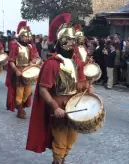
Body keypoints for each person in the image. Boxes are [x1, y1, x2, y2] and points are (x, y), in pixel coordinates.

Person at [26, 13, 92, 164]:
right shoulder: (52, 64)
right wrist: (55, 107)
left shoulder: (77, 62)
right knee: (60, 142)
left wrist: (89, 89)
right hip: (60, 108)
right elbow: (43, 89)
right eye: (68, 40)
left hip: (75, 106)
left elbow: (81, 83)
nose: (71, 43)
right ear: (61, 41)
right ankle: (58, 160)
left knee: (71, 140)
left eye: (73, 40)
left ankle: (60, 159)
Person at [5, 21, 36, 119]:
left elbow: (32, 58)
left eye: (28, 37)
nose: (27, 38)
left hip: (28, 72)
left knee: (28, 92)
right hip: (18, 72)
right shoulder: (15, 46)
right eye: (25, 37)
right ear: (21, 36)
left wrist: (32, 62)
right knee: (20, 92)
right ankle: (20, 110)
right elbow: (11, 61)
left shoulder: (30, 47)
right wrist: (16, 70)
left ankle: (21, 106)